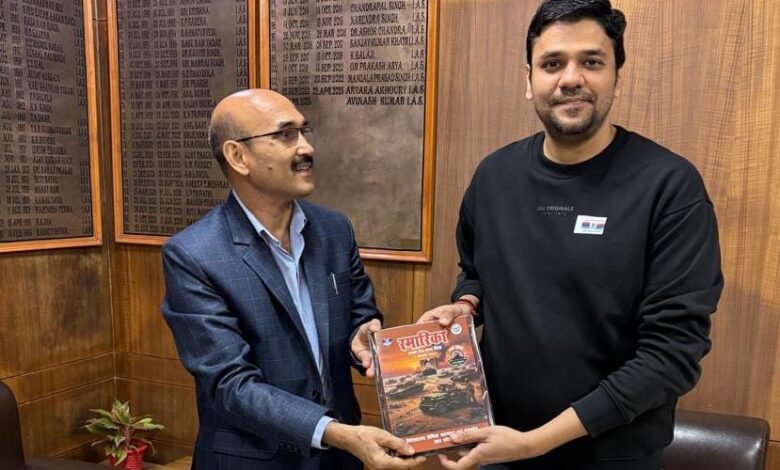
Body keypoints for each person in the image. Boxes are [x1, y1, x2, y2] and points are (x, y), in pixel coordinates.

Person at [416, 1, 724, 469]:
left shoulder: (669, 187)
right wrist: (467, 305)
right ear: (529, 80)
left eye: (592, 62)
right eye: (552, 63)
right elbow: (476, 272)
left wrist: (536, 442)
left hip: (613, 457)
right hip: (497, 446)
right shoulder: (494, 176)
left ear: (618, 77)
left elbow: (672, 355)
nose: (571, 78)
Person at [161, 89, 426, 470]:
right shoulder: (193, 254)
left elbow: (359, 313)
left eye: (304, 131)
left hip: (340, 460)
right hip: (255, 461)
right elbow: (230, 385)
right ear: (238, 156)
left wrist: (362, 338)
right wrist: (335, 432)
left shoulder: (334, 230)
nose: (306, 148)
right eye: (285, 134)